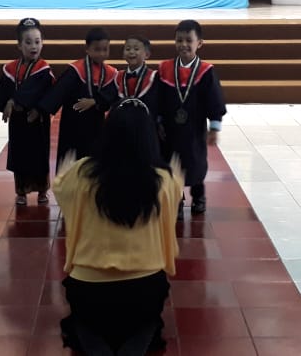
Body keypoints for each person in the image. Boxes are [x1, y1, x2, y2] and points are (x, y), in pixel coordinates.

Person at [53, 99, 183, 356]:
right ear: (148, 137)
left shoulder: (82, 172)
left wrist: (62, 173)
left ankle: (95, 341)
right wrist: (176, 180)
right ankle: (137, 340)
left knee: (85, 321)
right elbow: (174, 198)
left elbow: (61, 190)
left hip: (90, 286)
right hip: (144, 286)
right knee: (146, 320)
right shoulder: (163, 179)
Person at [157, 19, 227, 216]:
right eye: (179, 40)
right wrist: (158, 120)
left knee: (195, 162)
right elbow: (158, 97)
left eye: (189, 40)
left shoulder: (206, 71)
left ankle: (199, 196)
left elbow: (214, 100)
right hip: (170, 128)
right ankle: (177, 199)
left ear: (199, 43)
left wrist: (214, 127)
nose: (184, 45)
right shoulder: (165, 68)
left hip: (194, 129)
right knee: (172, 163)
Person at [0, 18, 54, 206]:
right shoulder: (10, 68)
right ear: (19, 45)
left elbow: (35, 90)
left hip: (37, 121)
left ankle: (42, 189)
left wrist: (15, 101)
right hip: (18, 121)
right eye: (28, 42)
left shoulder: (44, 69)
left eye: (37, 42)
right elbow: (2, 89)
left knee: (39, 156)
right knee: (20, 156)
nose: (34, 46)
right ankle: (21, 191)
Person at [40, 27, 118, 166]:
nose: (101, 53)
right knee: (70, 162)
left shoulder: (110, 73)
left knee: (93, 162)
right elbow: (59, 91)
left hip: (96, 125)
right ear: (87, 49)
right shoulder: (75, 70)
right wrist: (41, 110)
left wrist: (95, 101)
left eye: (105, 49)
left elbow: (112, 95)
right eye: (97, 49)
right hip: (73, 125)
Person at [114, 35, 158, 125]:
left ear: (147, 54)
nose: (131, 52)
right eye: (128, 49)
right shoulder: (118, 77)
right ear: (123, 54)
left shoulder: (153, 77)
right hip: (122, 124)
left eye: (136, 49)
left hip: (146, 124)